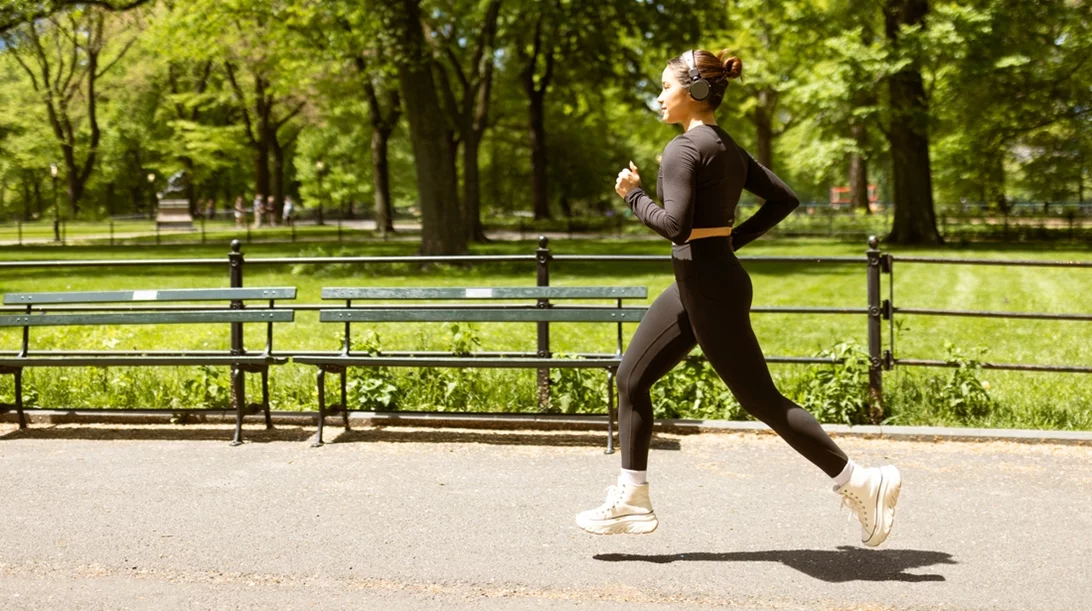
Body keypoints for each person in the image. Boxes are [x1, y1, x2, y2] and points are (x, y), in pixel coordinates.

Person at [575, 49, 902, 547]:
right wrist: (728, 242)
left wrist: (633, 196)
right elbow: (784, 200)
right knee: (631, 378)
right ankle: (632, 499)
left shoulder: (683, 149)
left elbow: (675, 226)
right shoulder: (724, 144)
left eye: (666, 87)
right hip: (702, 280)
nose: (659, 97)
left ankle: (858, 479)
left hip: (707, 285)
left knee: (759, 398)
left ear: (695, 91)